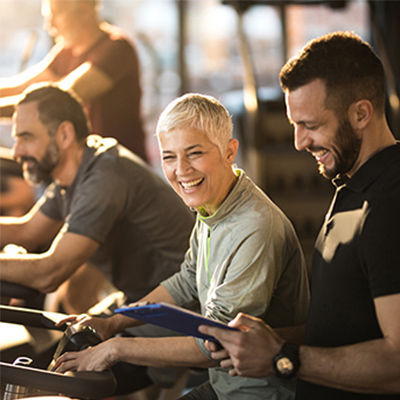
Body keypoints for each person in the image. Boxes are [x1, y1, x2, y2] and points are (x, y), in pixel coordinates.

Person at [53, 93, 310, 400]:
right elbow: (187, 279)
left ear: (229, 152)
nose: (181, 170)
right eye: (169, 157)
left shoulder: (254, 226)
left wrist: (117, 348)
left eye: (194, 153)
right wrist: (114, 323)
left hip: (259, 393)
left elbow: (220, 341)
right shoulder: (213, 205)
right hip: (225, 385)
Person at [199, 31, 400, 399]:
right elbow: (343, 329)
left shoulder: (391, 201)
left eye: (311, 125)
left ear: (361, 114)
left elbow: (397, 362)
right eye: (294, 125)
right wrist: (264, 341)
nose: (298, 142)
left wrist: (281, 356)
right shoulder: (352, 187)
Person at [0, 83, 194, 312]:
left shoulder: (104, 177)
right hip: (142, 301)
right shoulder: (75, 174)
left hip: (182, 311)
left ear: (64, 135)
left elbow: (49, 273)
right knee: (71, 327)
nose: (17, 152)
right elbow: (27, 232)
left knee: (76, 340)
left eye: (26, 138)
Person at [0, 0, 147, 161]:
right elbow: (21, 87)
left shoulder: (117, 48)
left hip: (120, 166)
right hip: (88, 165)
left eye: (56, 15)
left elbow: (59, 98)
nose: (50, 25)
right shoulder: (65, 51)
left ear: (84, 10)